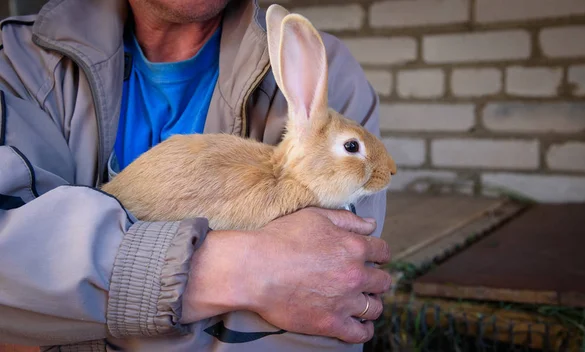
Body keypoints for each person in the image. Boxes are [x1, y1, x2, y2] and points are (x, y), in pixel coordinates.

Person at [0, 0, 392, 351]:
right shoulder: (17, 58)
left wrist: (61, 319)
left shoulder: (335, 72)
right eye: (352, 149)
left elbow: (328, 299)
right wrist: (242, 271)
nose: (387, 172)